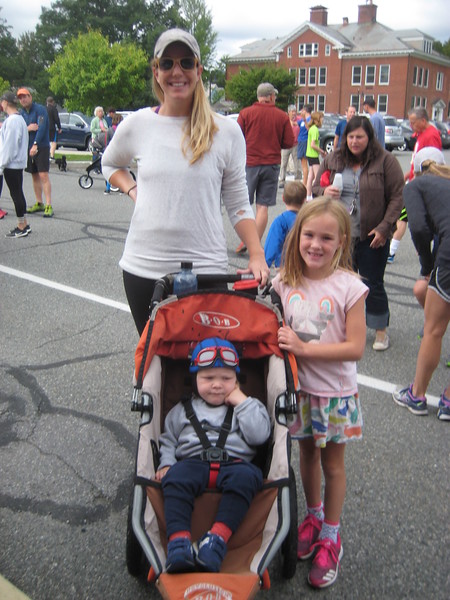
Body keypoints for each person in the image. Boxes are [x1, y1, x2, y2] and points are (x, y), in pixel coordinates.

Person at [102, 29, 269, 335]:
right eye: (167, 63)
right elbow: (110, 163)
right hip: (144, 268)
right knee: (153, 359)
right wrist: (134, 191)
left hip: (206, 270)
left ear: (199, 70)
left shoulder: (226, 132)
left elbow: (238, 203)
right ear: (156, 71)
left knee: (208, 361)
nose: (176, 72)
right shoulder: (138, 124)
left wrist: (257, 254)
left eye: (186, 63)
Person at [272, 197, 368, 589]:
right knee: (307, 456)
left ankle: (331, 535)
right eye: (309, 235)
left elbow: (355, 348)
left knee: (333, 466)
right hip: (300, 393)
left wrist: (304, 348)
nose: (316, 244)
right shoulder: (283, 282)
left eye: (326, 238)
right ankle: (312, 517)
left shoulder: (351, 287)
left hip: (336, 395)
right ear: (297, 236)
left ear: (342, 241)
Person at [155, 337, 271, 573]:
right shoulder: (181, 410)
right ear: (195, 379)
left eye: (226, 379)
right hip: (192, 463)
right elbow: (168, 440)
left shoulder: (249, 406)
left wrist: (241, 401)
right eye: (208, 378)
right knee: (174, 478)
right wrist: (166, 463)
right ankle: (178, 542)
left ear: (236, 380)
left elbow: (260, 436)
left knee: (249, 477)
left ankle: (217, 539)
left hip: (236, 464)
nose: (217, 385)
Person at [312, 115, 404, 351]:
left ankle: (380, 331)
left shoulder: (385, 161)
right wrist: (324, 192)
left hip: (373, 235)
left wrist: (385, 227)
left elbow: (397, 196)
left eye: (359, 137)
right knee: (340, 283)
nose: (354, 141)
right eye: (351, 137)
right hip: (339, 236)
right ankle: (341, 328)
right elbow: (314, 187)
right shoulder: (334, 158)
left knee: (373, 284)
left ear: (369, 138)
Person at [392, 147, 450, 421]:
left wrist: (427, 267)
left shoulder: (415, 185)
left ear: (415, 168)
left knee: (433, 330)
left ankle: (417, 395)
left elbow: (418, 227)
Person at [236, 82, 295, 251]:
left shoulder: (245, 113)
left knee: (243, 203)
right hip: (271, 165)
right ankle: (253, 243)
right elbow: (289, 142)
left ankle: (245, 238)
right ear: (271, 97)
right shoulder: (282, 116)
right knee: (263, 206)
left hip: (249, 164)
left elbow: (236, 137)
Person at [388, 107, 442, 264]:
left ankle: (393, 252)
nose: (411, 126)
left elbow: (432, 164)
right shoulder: (422, 134)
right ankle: (394, 251)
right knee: (404, 217)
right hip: (414, 181)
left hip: (420, 186)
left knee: (404, 216)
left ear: (423, 121)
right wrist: (409, 174)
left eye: (413, 123)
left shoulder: (431, 136)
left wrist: (419, 182)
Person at [18, 87, 54, 218]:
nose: (23, 99)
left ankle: (48, 204)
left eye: (25, 96)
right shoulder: (21, 113)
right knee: (34, 175)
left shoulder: (40, 110)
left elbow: (42, 127)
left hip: (41, 146)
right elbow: (20, 129)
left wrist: (35, 144)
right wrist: (27, 128)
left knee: (43, 175)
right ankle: (39, 202)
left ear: (30, 97)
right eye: (20, 98)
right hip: (28, 148)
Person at [0, 91, 29, 238]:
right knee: (18, 193)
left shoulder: (12, 121)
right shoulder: (20, 119)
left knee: (16, 194)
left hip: (12, 164)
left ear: (5, 102)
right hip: (17, 163)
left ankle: (21, 226)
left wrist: (1, 165)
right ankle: (24, 223)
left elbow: (9, 146)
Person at [264, 179, 306, 268]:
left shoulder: (280, 221)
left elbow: (272, 244)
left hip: (285, 265)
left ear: (283, 198)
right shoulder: (307, 220)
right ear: (304, 200)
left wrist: (265, 264)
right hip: (305, 264)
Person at [279, 105, 300, 188]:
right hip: (286, 145)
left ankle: (297, 180)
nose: (294, 113)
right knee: (283, 163)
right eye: (292, 111)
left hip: (296, 144)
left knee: (297, 164)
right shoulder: (285, 120)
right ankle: (282, 180)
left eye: (295, 111)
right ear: (289, 112)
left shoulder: (299, 120)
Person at [305, 111, 326, 200]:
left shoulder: (312, 128)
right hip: (313, 155)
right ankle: (316, 194)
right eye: (321, 118)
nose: (323, 119)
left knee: (311, 176)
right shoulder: (315, 130)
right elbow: (313, 144)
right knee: (318, 176)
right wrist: (322, 151)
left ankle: (308, 195)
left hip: (309, 154)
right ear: (318, 119)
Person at [103, 113, 123, 195]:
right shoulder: (121, 130)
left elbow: (106, 142)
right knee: (121, 171)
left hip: (111, 152)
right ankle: (121, 188)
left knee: (110, 170)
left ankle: (108, 188)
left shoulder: (109, 130)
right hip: (120, 153)